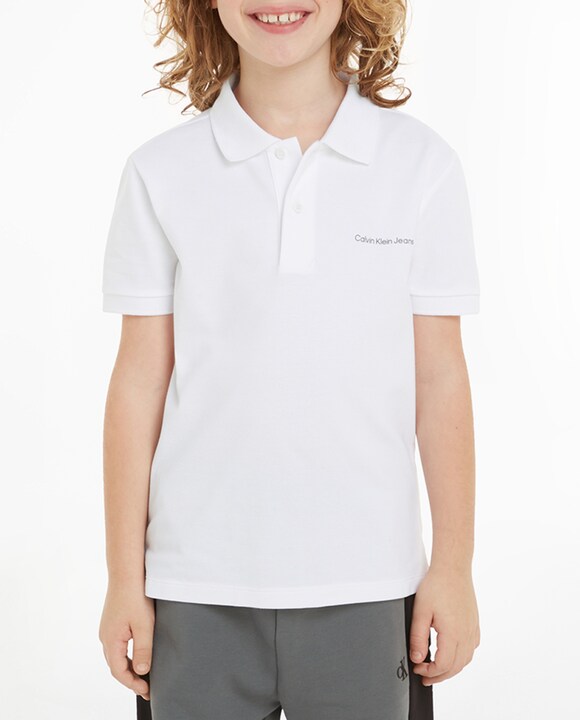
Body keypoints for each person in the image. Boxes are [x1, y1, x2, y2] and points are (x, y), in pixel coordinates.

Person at [98, 0, 482, 717]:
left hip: (369, 583)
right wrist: (125, 579)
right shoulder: (161, 172)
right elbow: (138, 384)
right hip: (193, 587)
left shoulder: (421, 166)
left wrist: (453, 568)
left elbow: (440, 381)